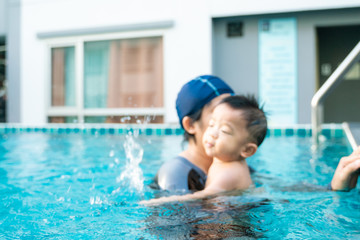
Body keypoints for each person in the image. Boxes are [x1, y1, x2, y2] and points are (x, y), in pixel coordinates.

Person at [142, 95, 267, 204]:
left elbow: (204, 196)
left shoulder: (230, 173)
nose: (213, 133)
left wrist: (161, 201)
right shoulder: (227, 161)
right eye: (211, 124)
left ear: (247, 150)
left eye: (224, 131)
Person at [153, 75, 235, 192]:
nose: (231, 118)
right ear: (190, 125)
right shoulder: (175, 173)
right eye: (219, 112)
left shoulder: (233, 164)